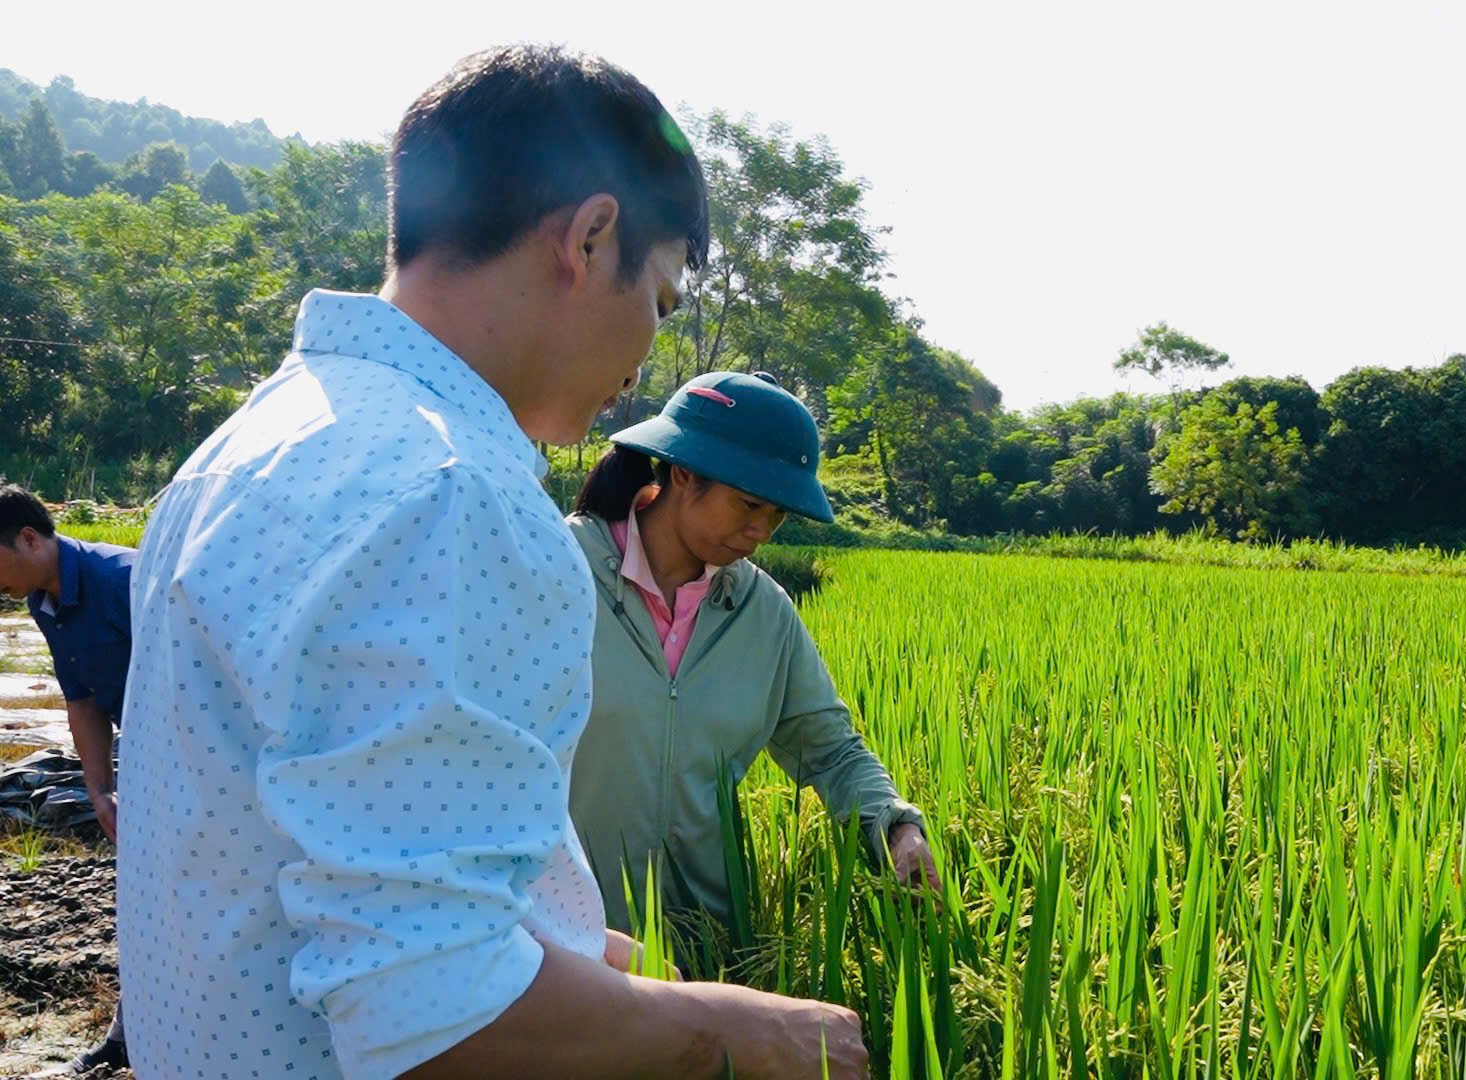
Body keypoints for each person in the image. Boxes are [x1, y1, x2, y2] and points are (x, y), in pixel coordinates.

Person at [116, 45, 866, 1079]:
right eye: (658, 296)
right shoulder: (450, 489)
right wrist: (732, 1028)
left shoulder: (254, 447)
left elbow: (318, 847)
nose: (646, 352)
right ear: (590, 238)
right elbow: (435, 1015)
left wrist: (572, 950)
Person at [566, 372, 941, 949]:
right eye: (749, 504)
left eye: (778, 515)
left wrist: (897, 825)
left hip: (708, 947)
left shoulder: (760, 611)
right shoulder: (559, 572)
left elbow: (829, 748)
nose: (760, 532)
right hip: (571, 945)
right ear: (683, 471)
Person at [0, 484, 133, 1075]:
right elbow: (81, 700)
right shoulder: (42, 600)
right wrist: (99, 789)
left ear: (29, 537)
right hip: (147, 756)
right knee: (137, 899)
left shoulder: (126, 580)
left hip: (197, 756)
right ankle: (130, 1033)